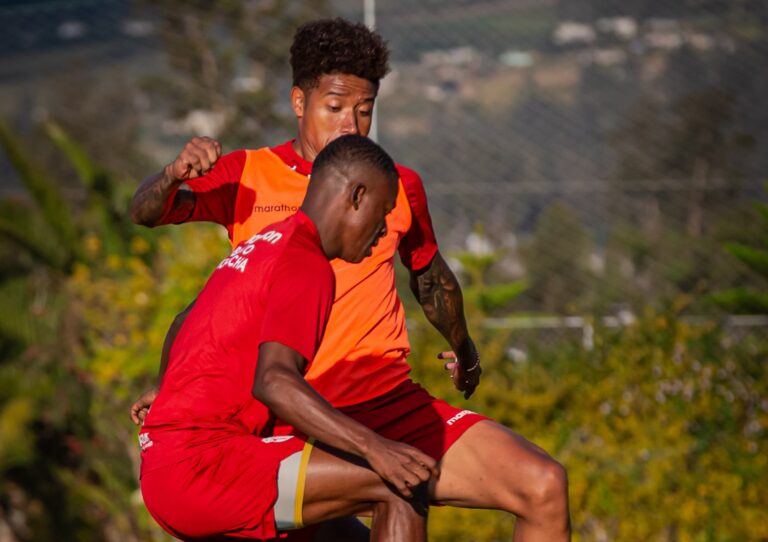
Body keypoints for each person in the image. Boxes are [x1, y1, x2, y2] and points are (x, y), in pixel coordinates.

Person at [131, 18, 571, 541]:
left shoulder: (393, 184)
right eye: (335, 108)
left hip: (385, 400)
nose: (349, 124)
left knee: (542, 485)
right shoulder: (251, 180)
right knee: (387, 489)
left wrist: (466, 350)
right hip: (292, 412)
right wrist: (171, 175)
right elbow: (166, 244)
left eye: (364, 111)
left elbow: (429, 276)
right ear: (300, 103)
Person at [139, 134, 437, 541]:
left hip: (167, 464)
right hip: (206, 467)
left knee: (335, 530)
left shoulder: (268, 241)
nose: (383, 230)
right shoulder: (306, 262)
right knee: (400, 487)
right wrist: (376, 448)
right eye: (382, 213)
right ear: (356, 196)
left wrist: (164, 390)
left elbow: (184, 319)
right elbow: (274, 382)